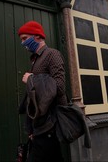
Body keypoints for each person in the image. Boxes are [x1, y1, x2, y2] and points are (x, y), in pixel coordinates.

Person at [18, 20, 68, 162]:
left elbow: (59, 87)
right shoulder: (35, 59)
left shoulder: (52, 54)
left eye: (25, 38)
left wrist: (31, 79)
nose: (22, 43)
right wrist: (31, 129)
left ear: (37, 36)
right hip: (39, 125)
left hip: (49, 125)